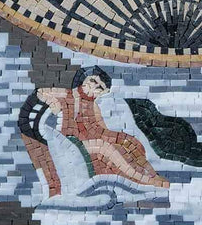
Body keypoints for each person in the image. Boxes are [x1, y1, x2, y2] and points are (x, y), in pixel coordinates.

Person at [18, 67, 168, 196]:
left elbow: (101, 131)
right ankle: (142, 180)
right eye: (93, 81)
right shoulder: (67, 94)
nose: (95, 87)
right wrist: (53, 102)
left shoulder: (93, 106)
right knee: (104, 147)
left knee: (129, 143)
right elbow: (40, 92)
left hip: (86, 142)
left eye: (100, 87)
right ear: (84, 79)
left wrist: (123, 139)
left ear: (103, 93)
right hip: (69, 143)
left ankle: (151, 174)